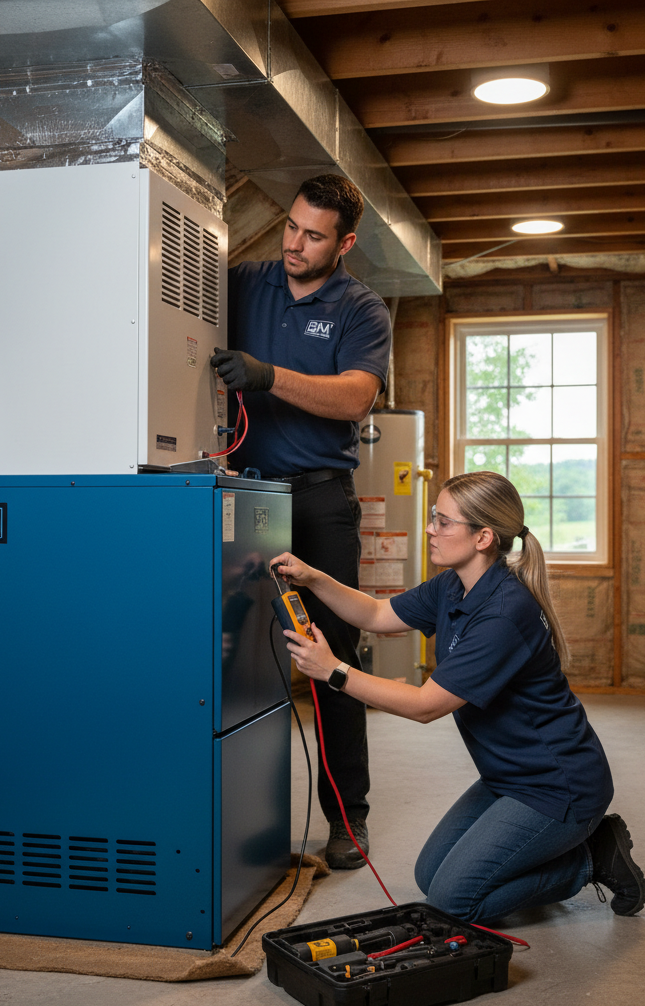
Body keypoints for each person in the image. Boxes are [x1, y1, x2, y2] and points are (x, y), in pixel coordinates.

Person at [271, 470, 645, 920]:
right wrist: (314, 579)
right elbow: (375, 613)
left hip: (557, 787)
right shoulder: (455, 585)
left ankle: (589, 861)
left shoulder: (503, 615)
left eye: (444, 522)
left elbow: (427, 705)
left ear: (483, 537)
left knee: (453, 901)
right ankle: (566, 854)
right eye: (434, 517)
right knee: (431, 876)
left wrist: (334, 671)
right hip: (506, 779)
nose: (431, 529)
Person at [209, 173, 392, 869]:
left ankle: (348, 820)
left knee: (330, 657)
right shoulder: (245, 282)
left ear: (344, 243)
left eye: (314, 235)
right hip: (241, 495)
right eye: (291, 227)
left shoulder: (361, 309)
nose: (295, 243)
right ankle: (230, 811)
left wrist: (267, 375)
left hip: (317, 500)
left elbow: (354, 399)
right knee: (227, 651)